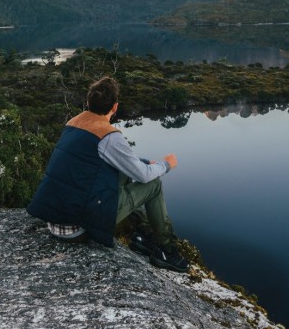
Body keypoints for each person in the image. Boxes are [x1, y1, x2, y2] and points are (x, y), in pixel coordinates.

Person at [26, 76, 190, 272]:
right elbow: (145, 176)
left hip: (55, 221)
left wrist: (144, 163)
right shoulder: (108, 135)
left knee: (124, 171)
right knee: (153, 185)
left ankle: (143, 237)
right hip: (78, 228)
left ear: (88, 103)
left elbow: (113, 160)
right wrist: (166, 164)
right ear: (115, 107)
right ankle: (166, 251)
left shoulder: (73, 122)